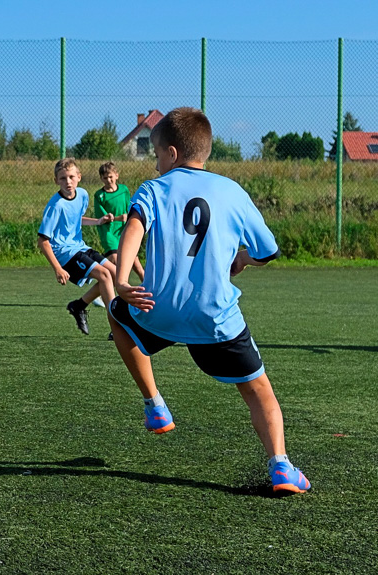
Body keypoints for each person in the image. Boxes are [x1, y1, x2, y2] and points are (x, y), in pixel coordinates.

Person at [108, 107, 310, 494]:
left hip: (158, 311)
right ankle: (281, 466)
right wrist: (242, 258)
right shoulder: (231, 190)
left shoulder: (154, 189)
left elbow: (134, 227)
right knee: (258, 391)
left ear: (170, 153)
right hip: (214, 319)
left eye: (154, 156)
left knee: (118, 316)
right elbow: (267, 250)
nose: (154, 165)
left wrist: (120, 280)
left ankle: (155, 406)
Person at [38, 157, 117, 336]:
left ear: (79, 177)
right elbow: (42, 240)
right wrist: (57, 268)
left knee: (114, 272)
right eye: (63, 178)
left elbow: (75, 220)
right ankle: (117, 327)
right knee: (104, 276)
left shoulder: (82, 194)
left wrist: (98, 221)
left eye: (71, 177)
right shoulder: (55, 206)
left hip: (78, 246)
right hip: (64, 253)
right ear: (56, 181)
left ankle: (79, 305)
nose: (68, 182)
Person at [93, 161, 144, 282]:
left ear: (116, 175)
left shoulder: (124, 189)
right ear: (101, 178)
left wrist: (128, 218)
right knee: (115, 261)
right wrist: (116, 218)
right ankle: (120, 293)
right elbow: (102, 218)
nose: (108, 180)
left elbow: (129, 207)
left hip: (123, 230)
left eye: (110, 177)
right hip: (109, 233)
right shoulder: (99, 195)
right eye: (105, 178)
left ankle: (152, 290)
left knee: (136, 264)